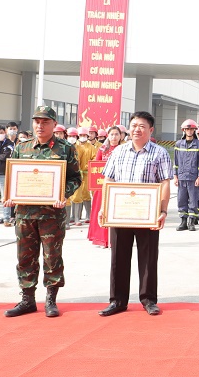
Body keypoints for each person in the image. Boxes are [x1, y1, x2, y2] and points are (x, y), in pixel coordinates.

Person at [3, 105, 81, 318]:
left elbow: (76, 178)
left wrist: (63, 194)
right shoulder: (22, 147)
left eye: (45, 121)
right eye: (37, 121)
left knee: (52, 257)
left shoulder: (65, 149)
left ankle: (51, 299)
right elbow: (14, 176)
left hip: (51, 215)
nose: (40, 125)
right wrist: (10, 195)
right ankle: (27, 299)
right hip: (24, 214)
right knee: (24, 257)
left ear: (54, 125)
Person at [97, 111, 172, 317]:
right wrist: (105, 207)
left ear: (150, 130)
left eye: (142, 126)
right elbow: (108, 180)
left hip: (147, 214)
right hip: (120, 214)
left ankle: (148, 299)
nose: (137, 129)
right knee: (118, 256)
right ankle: (117, 301)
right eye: (134, 125)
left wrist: (163, 210)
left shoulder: (159, 153)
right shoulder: (118, 152)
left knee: (148, 257)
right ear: (128, 128)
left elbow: (165, 183)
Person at [88, 126, 122, 248]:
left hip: (117, 186)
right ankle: (101, 239)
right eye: (112, 134)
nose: (114, 137)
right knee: (101, 211)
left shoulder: (123, 149)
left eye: (116, 134)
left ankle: (114, 239)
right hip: (102, 186)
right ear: (108, 135)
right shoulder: (102, 149)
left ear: (120, 136)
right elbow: (96, 167)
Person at [173, 119, 199, 231]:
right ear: (184, 130)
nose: (189, 131)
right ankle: (183, 222)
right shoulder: (178, 144)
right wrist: (175, 176)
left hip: (193, 177)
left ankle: (191, 222)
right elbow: (176, 161)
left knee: (193, 199)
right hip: (181, 176)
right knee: (181, 199)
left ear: (194, 130)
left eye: (191, 129)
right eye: (187, 129)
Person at [68, 127, 97, 227]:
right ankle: (74, 217)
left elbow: (95, 159)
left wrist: (87, 166)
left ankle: (87, 216)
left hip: (86, 173)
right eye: (81, 135)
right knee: (74, 195)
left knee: (85, 194)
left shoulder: (91, 147)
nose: (82, 137)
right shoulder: (74, 146)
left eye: (84, 135)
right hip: (75, 173)